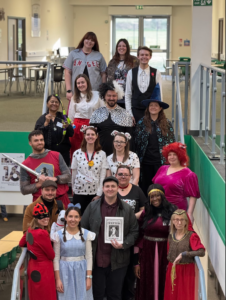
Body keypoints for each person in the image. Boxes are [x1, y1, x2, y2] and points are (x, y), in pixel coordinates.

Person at [81, 176, 139, 300]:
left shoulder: (127, 209)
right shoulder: (92, 207)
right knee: (97, 295)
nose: (110, 189)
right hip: (96, 261)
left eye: (113, 186)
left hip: (119, 261)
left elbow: (134, 232)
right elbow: (82, 228)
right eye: (107, 186)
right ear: (103, 188)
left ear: (118, 188)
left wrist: (123, 244)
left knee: (115, 295)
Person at [134, 184, 177, 300]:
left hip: (166, 251)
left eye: (157, 195)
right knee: (148, 281)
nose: (155, 199)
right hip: (147, 253)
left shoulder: (173, 211)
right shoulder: (146, 212)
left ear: (162, 196)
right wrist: (137, 262)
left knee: (164, 280)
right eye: (151, 197)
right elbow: (139, 235)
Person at [135, 83, 175, 196]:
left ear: (160, 108)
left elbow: (172, 145)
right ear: (148, 107)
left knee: (161, 189)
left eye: (156, 105)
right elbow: (137, 143)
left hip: (161, 163)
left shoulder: (167, 124)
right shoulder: (141, 123)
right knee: (146, 188)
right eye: (151, 105)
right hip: (145, 162)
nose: (153, 107)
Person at [115, 165, 146, 300]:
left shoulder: (137, 190)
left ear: (130, 176)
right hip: (114, 233)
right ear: (116, 175)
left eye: (126, 174)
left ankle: (128, 295)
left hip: (132, 232)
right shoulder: (111, 189)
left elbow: (144, 208)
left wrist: (132, 217)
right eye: (120, 174)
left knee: (130, 267)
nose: (123, 176)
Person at [53, 203, 96, 300]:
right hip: (65, 272)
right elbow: (56, 258)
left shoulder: (86, 234)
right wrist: (58, 279)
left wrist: (89, 277)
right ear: (65, 217)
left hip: (82, 271)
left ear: (80, 218)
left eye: (76, 217)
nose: (73, 219)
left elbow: (89, 257)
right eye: (70, 216)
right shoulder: (58, 235)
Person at [20, 130, 71, 208]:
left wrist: (55, 179)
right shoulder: (25, 164)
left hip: (61, 200)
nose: (40, 142)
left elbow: (68, 176)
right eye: (36, 140)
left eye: (41, 140)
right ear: (30, 143)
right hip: (40, 203)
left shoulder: (56, 155)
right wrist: (39, 184)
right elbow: (24, 189)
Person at [153, 142, 200, 224]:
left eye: (175, 154)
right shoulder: (162, 168)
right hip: (158, 207)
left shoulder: (188, 174)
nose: (171, 157)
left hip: (176, 211)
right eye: (169, 154)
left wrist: (190, 213)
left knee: (173, 234)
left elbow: (193, 195)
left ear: (180, 156)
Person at [164, 209, 205, 300]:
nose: (179, 222)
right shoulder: (171, 235)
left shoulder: (191, 236)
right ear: (173, 221)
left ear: (186, 221)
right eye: (176, 220)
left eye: (182, 220)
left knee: (185, 296)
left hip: (186, 271)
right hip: (172, 269)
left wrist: (184, 254)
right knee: (171, 295)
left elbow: (201, 251)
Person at [19, 203, 57, 300]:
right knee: (46, 296)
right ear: (36, 218)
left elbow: (21, 243)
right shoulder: (42, 233)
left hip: (33, 266)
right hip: (44, 270)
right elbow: (51, 255)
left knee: (35, 295)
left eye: (47, 216)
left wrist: (33, 248)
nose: (46, 218)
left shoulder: (29, 230)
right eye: (42, 217)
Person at [90, 81, 133, 156]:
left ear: (118, 96)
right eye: (109, 96)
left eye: (114, 96)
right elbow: (91, 136)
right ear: (104, 96)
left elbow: (129, 138)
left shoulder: (125, 114)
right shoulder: (96, 113)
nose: (111, 98)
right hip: (100, 154)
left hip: (119, 155)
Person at [71, 125, 107, 214]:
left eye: (92, 134)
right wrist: (74, 189)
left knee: (93, 218)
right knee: (79, 217)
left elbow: (102, 175)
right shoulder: (77, 153)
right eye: (88, 134)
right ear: (84, 136)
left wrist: (99, 193)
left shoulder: (102, 154)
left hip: (94, 193)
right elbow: (74, 173)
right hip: (79, 192)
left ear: (96, 136)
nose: (90, 136)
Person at [68, 74, 105, 158]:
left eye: (82, 82)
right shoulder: (74, 97)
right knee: (77, 151)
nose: (80, 85)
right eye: (78, 83)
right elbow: (71, 116)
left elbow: (103, 111)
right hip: (77, 128)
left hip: (92, 126)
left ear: (87, 83)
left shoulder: (97, 95)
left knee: (93, 150)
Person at [64, 31, 107, 102]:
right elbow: (67, 72)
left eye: (92, 40)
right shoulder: (73, 54)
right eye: (87, 39)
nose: (89, 41)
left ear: (95, 43)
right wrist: (68, 90)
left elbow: (103, 73)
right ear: (83, 40)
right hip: (77, 90)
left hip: (94, 91)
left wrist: (103, 90)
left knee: (94, 111)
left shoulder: (99, 55)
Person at [125, 46, 163, 124]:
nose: (144, 57)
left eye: (146, 55)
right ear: (138, 56)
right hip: (135, 111)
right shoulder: (131, 73)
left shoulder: (156, 73)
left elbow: (160, 95)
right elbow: (128, 95)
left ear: (150, 57)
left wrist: (158, 113)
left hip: (151, 112)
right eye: (142, 55)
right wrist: (129, 114)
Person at [35, 94, 74, 166]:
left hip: (63, 154)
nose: (54, 104)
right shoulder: (42, 119)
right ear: (47, 104)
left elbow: (71, 133)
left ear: (59, 104)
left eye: (56, 102)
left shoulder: (64, 117)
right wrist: (46, 123)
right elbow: (36, 135)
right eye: (52, 101)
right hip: (47, 153)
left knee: (63, 174)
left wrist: (67, 126)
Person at [107, 39, 139, 107]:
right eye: (119, 46)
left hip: (130, 94)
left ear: (127, 48)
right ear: (117, 48)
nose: (121, 48)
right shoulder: (112, 62)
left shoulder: (134, 61)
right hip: (117, 95)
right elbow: (110, 80)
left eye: (124, 46)